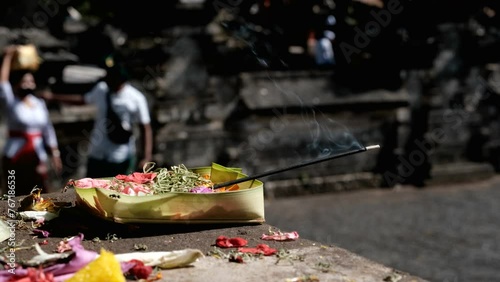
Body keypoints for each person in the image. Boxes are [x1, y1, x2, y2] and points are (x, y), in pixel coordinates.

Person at [43, 63, 153, 178]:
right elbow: (82, 99)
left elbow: (145, 127)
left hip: (120, 155)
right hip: (97, 152)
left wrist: (146, 157)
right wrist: (53, 97)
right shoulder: (102, 89)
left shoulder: (135, 98)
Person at [0, 45, 62, 195]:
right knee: (12, 192)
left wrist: (55, 153)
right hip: (14, 155)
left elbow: (47, 129)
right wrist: (7, 57)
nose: (28, 84)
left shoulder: (38, 104)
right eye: (24, 81)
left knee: (38, 193)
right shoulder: (12, 102)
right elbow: (3, 84)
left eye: (31, 81)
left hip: (37, 155)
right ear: (17, 84)